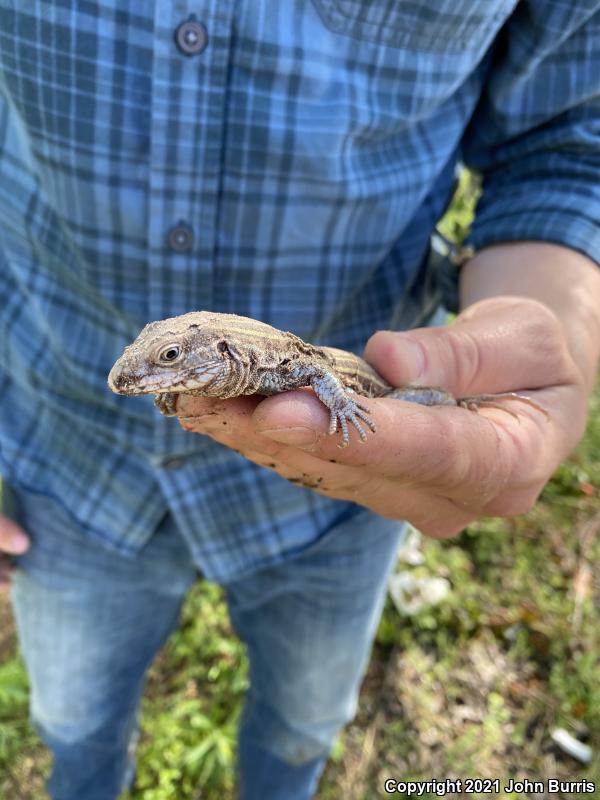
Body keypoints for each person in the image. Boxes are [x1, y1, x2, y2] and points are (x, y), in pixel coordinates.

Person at [0, 2, 599, 798]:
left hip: (344, 478)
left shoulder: (265, 365)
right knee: (72, 725)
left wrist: (537, 352)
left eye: (171, 361)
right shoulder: (192, 369)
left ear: (214, 354)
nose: (152, 372)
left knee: (303, 727)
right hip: (62, 450)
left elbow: (567, 141)